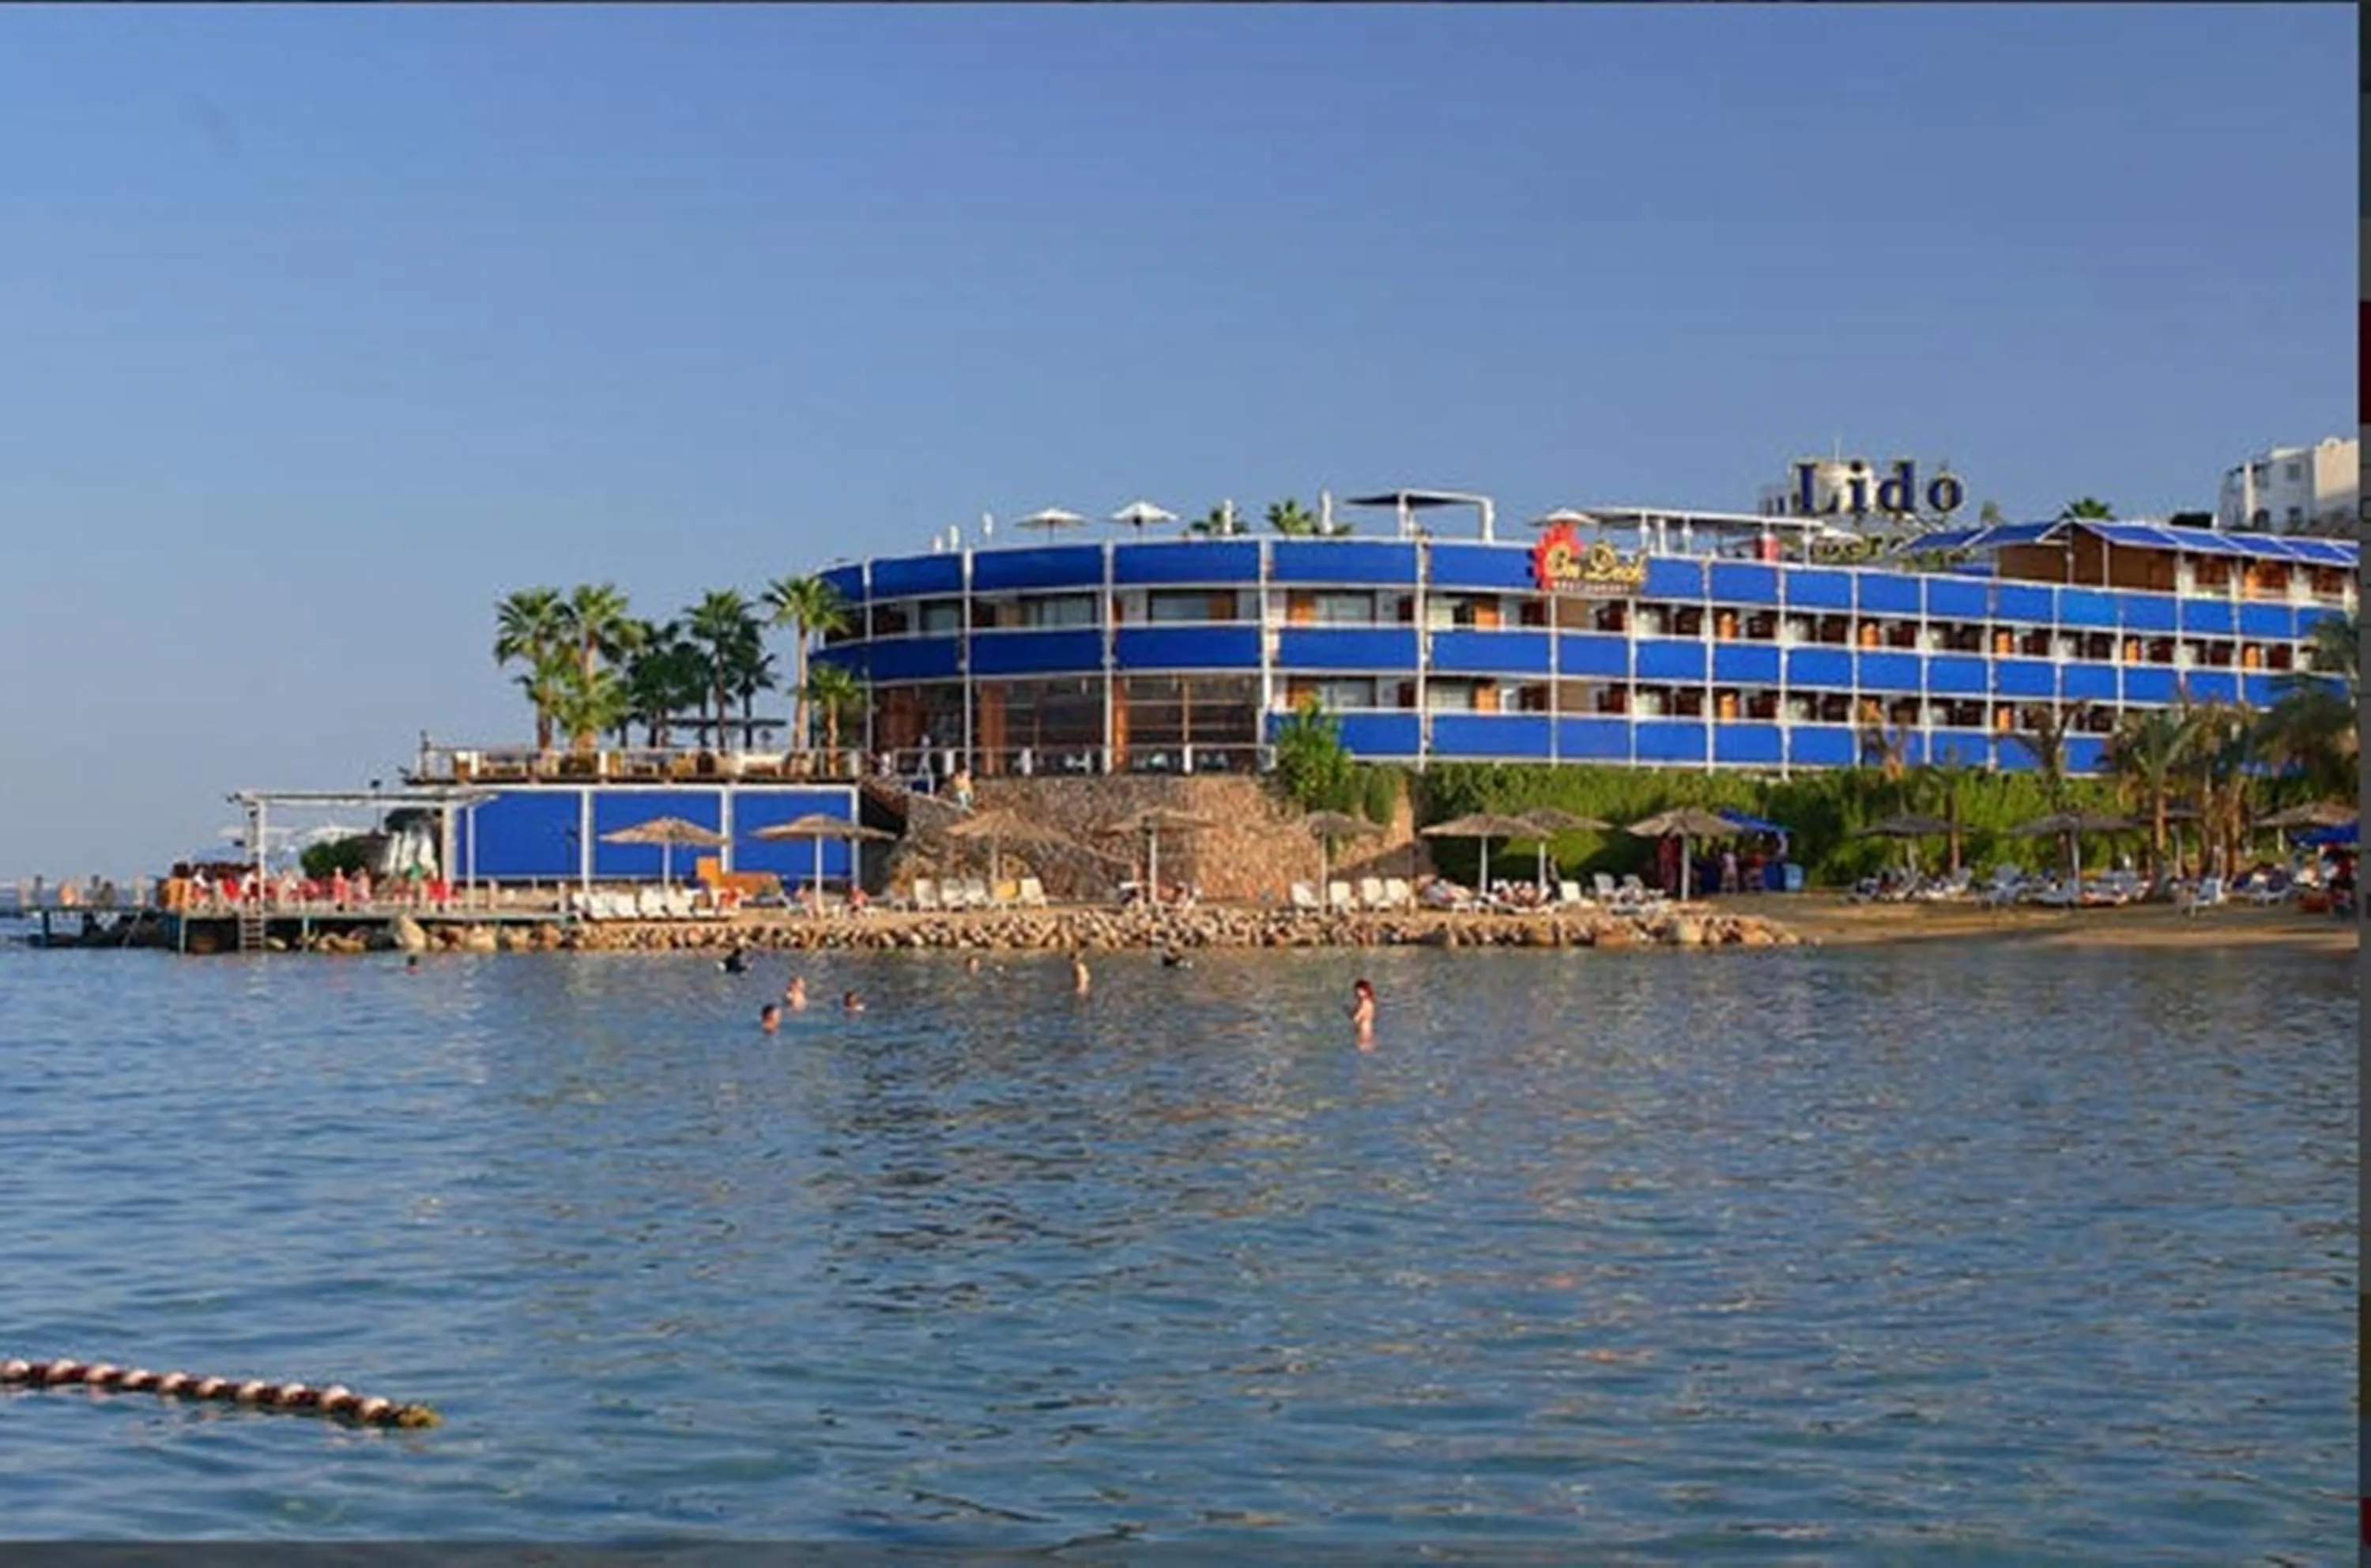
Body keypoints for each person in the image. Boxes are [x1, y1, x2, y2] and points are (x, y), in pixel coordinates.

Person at [1348, 978, 1376, 1047]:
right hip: (1368, 1030)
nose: (1357, 993)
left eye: (1359, 991)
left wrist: (1349, 1012)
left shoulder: (1364, 1003)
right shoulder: (1370, 1002)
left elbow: (1356, 1018)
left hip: (1363, 1032)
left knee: (1361, 1047)